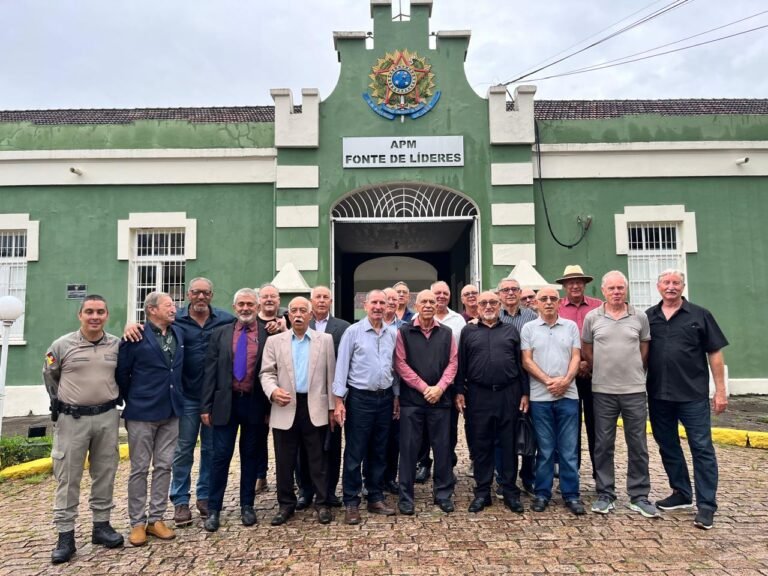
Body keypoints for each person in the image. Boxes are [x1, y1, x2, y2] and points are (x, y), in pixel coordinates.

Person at [123, 277, 236, 525]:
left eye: (206, 292)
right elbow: (152, 330)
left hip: (215, 398)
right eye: (196, 292)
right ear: (188, 294)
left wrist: (279, 322)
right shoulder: (177, 322)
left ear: (212, 295)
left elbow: (248, 329)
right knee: (182, 450)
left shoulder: (227, 320)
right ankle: (180, 500)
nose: (201, 297)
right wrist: (132, 325)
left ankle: (204, 496)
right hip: (185, 397)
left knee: (210, 449)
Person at [43, 295, 124, 564]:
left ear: (107, 315)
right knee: (68, 477)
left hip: (106, 417)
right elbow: (50, 377)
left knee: (105, 472)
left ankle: (101, 526)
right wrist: (66, 402)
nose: (95, 316)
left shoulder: (116, 345)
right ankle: (65, 536)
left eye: (100, 311)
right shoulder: (61, 345)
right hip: (72, 420)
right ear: (80, 315)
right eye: (89, 311)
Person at [646, 269, 728, 530]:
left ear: (683, 286)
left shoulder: (700, 315)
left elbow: (714, 353)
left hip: (692, 395)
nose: (671, 287)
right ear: (658, 286)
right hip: (659, 394)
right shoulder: (649, 317)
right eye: (666, 283)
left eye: (676, 283)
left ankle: (706, 505)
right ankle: (681, 493)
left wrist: (721, 390)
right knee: (667, 445)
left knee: (702, 447)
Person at [582, 271, 659, 518]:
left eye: (620, 288)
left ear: (626, 290)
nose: (616, 292)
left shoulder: (640, 317)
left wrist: (635, 369)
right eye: (612, 288)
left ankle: (639, 495)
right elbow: (587, 349)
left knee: (638, 444)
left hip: (634, 390)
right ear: (603, 291)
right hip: (602, 390)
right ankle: (605, 493)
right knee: (603, 444)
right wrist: (599, 370)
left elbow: (644, 348)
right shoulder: (593, 318)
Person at [260, 296, 337, 526]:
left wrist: (332, 408)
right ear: (288, 315)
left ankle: (322, 503)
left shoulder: (325, 340)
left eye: (303, 310)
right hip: (285, 405)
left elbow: (330, 376)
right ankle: (286, 504)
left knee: (318, 459)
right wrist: (273, 391)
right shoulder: (275, 342)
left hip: (315, 406)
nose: (298, 314)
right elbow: (266, 373)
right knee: (284, 460)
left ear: (311, 314)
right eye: (293, 310)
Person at [117, 292, 184, 546]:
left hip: (171, 411)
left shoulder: (178, 333)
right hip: (142, 412)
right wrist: (133, 398)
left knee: (165, 466)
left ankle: (156, 519)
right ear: (152, 310)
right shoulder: (134, 337)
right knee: (139, 468)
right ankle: (136, 522)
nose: (174, 308)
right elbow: (122, 373)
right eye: (168, 305)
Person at [455, 291, 529, 514]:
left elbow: (521, 364)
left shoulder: (511, 330)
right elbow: (461, 363)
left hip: (509, 393)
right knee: (481, 444)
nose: (488, 306)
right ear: (476, 307)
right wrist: (459, 391)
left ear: (499, 306)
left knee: (507, 444)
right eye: (483, 303)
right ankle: (482, 492)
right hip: (478, 395)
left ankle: (509, 491)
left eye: (492, 303)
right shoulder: (468, 332)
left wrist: (525, 393)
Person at [201, 288, 268, 532]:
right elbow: (209, 372)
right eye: (241, 304)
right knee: (220, 457)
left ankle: (247, 506)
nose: (245, 308)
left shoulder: (266, 334)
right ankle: (214, 509)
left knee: (250, 457)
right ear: (234, 306)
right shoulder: (220, 333)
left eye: (250, 304)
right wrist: (205, 406)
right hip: (224, 404)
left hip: (254, 404)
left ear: (258, 307)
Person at [333, 289, 399, 524]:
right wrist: (339, 401)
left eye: (383, 303)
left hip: (385, 398)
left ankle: (375, 496)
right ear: (365, 304)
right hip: (360, 399)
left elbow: (395, 368)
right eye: (375, 302)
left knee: (379, 450)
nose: (379, 306)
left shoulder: (392, 334)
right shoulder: (353, 332)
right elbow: (341, 366)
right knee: (355, 451)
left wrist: (396, 397)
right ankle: (351, 501)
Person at [520, 287, 585, 515]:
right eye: (543, 299)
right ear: (536, 303)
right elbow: (526, 360)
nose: (548, 302)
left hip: (568, 395)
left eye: (553, 299)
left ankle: (571, 494)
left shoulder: (571, 327)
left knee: (568, 449)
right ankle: (542, 493)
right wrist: (549, 381)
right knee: (545, 449)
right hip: (540, 397)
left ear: (559, 303)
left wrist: (566, 380)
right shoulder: (528, 329)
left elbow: (576, 356)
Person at [394, 289, 458, 515]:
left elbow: (453, 363)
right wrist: (424, 388)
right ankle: (406, 497)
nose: (429, 305)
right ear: (417, 305)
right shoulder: (404, 331)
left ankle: (443, 494)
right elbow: (400, 364)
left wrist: (440, 388)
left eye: (433, 301)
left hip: (440, 401)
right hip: (412, 401)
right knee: (409, 450)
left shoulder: (447, 332)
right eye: (424, 301)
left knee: (442, 449)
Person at [295, 286, 350, 510]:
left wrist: (339, 397)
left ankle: (328, 490)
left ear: (331, 301)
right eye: (317, 297)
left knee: (331, 444)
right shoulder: (298, 324)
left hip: (330, 394)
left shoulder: (343, 327)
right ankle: (305, 490)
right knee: (302, 446)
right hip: (303, 394)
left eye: (325, 297)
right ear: (311, 300)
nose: (321, 301)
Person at [414, 281, 465, 484]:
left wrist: (451, 385)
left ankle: (447, 465)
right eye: (438, 293)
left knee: (448, 429)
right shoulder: (417, 320)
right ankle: (423, 463)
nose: (441, 296)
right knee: (423, 430)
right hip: (420, 386)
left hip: (448, 384)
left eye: (445, 293)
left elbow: (459, 355)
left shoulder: (458, 320)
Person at [557, 265, 601, 477]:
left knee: (596, 425)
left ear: (585, 284)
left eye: (579, 281)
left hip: (595, 374)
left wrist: (588, 363)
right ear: (565, 285)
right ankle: (571, 471)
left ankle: (598, 471)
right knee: (569, 427)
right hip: (568, 375)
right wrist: (576, 365)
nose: (575, 285)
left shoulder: (598, 307)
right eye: (570, 282)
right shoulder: (556, 308)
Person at [497, 277, 537, 495]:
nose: (510, 293)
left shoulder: (532, 317)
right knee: (503, 435)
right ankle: (504, 478)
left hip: (529, 382)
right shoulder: (494, 316)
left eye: (514, 289)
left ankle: (528, 477)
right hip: (505, 385)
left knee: (528, 432)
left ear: (520, 293)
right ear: (499, 294)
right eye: (505, 290)